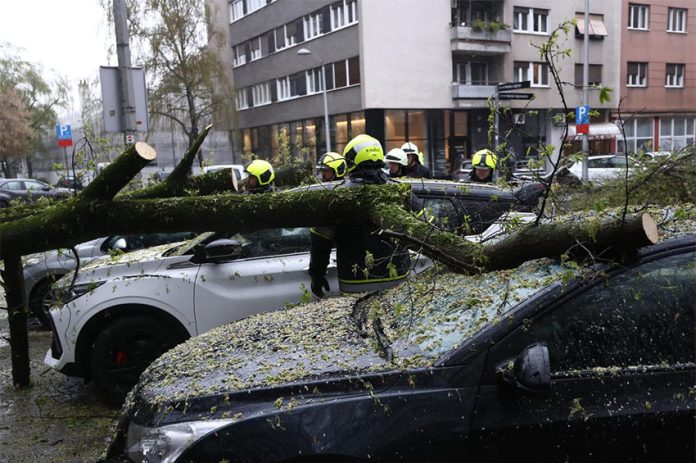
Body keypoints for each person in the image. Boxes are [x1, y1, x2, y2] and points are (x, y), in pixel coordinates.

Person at [308, 134, 411, 296]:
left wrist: (317, 275)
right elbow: (426, 229)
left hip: (354, 282)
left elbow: (320, 242)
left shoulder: (337, 197)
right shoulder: (400, 191)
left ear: (351, 161)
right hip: (397, 279)